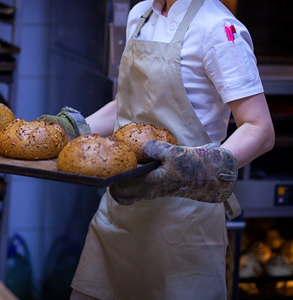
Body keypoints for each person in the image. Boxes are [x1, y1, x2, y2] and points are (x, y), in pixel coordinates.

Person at [40, 0, 275, 298]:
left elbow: (260, 129)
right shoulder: (140, 14)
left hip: (184, 227)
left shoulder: (218, 29)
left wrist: (196, 168)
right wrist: (71, 130)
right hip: (120, 214)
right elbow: (125, 106)